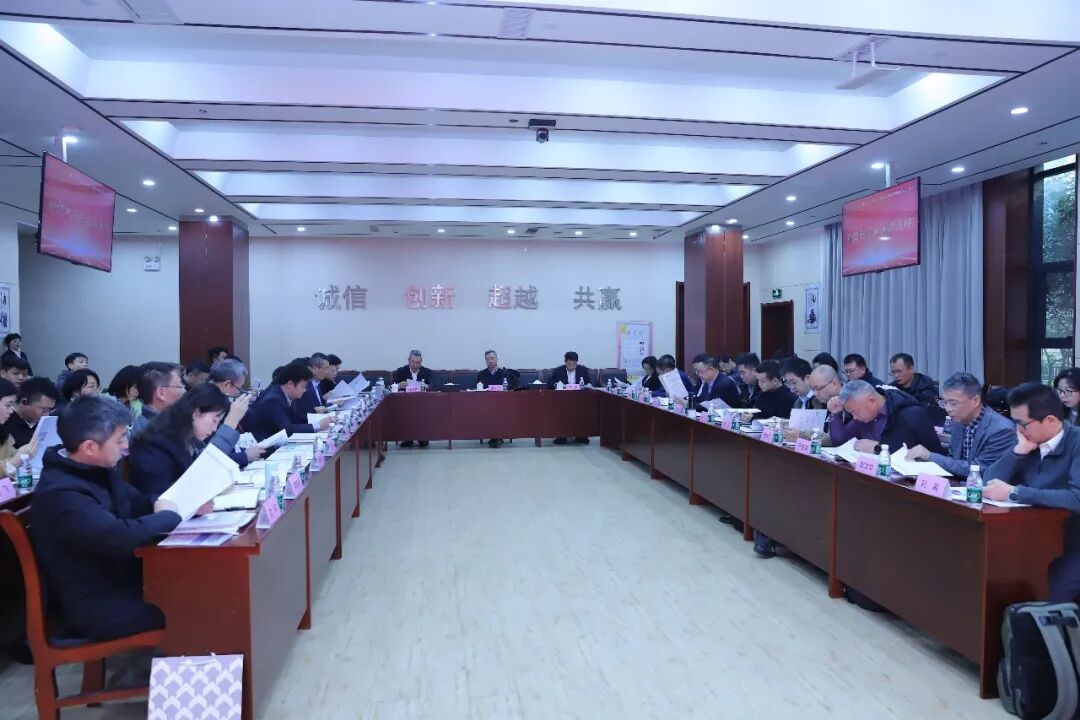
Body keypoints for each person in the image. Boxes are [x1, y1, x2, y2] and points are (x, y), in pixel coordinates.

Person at [30, 395, 182, 641]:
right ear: (90, 447)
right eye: (119, 439)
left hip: (124, 579)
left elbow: (137, 502)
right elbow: (119, 537)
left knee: (199, 583)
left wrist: (168, 503)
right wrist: (168, 516)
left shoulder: (95, 469)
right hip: (97, 604)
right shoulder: (61, 493)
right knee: (193, 601)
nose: (126, 446)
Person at [985, 383, 1080, 602]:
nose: (1018, 430)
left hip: (1073, 543)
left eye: (1022, 424)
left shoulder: (1076, 443)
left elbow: (1076, 498)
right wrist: (1017, 452)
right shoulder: (1027, 439)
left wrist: (1016, 492)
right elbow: (989, 481)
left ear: (1050, 420)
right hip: (1033, 537)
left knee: (1044, 599)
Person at [129, 384, 253, 495]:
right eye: (214, 420)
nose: (215, 429)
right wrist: (230, 423)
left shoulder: (185, 436)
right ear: (197, 413)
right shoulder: (157, 443)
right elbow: (199, 474)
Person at [906, 372, 1014, 477]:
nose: (948, 409)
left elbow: (980, 470)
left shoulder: (1002, 430)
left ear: (976, 400)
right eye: (945, 402)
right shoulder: (958, 421)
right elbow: (953, 459)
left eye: (953, 403)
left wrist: (930, 457)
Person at [833, 380, 943, 455]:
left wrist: (878, 448)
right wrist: (836, 414)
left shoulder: (910, 413)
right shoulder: (862, 416)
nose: (854, 417)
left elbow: (930, 454)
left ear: (871, 401)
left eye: (855, 412)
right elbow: (839, 441)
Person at [243, 362, 332, 441]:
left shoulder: (286, 394)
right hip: (265, 447)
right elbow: (287, 430)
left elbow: (298, 420)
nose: (305, 390)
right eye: (303, 386)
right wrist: (317, 426)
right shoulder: (273, 400)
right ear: (290, 384)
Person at [208, 358, 266, 467]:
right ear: (227, 384)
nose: (240, 392)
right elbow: (210, 457)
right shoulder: (207, 404)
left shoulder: (218, 399)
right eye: (239, 388)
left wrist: (245, 451)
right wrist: (244, 456)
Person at [548, 352, 594, 445]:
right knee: (560, 411)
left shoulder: (583, 370)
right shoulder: (558, 370)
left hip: (579, 398)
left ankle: (581, 436)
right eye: (569, 364)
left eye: (574, 364)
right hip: (563, 399)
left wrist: (587, 385)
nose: (572, 366)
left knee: (583, 411)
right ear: (565, 362)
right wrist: (558, 385)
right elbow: (550, 383)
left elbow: (589, 382)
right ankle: (561, 436)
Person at [132, 362, 185, 437]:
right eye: (180, 386)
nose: (184, 391)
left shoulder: (175, 419)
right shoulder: (144, 432)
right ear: (161, 393)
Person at [4, 377, 58, 447]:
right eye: (44, 410)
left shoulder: (45, 423)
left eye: (50, 410)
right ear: (24, 402)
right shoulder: (5, 425)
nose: (47, 415)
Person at [888, 353, 943, 422]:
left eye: (899, 371)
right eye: (893, 372)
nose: (896, 376)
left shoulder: (926, 389)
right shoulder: (890, 389)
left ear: (911, 368)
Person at [0, 379, 36, 471]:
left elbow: (13, 456)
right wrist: (15, 461)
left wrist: (25, 453)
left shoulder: (5, 434)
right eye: (8, 405)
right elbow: (13, 460)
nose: (11, 411)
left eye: (12, 405)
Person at [291, 354, 332, 423]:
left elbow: (319, 406)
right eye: (326, 368)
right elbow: (305, 415)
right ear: (315, 368)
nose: (327, 371)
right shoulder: (305, 388)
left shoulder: (317, 383)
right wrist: (332, 405)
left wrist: (332, 404)